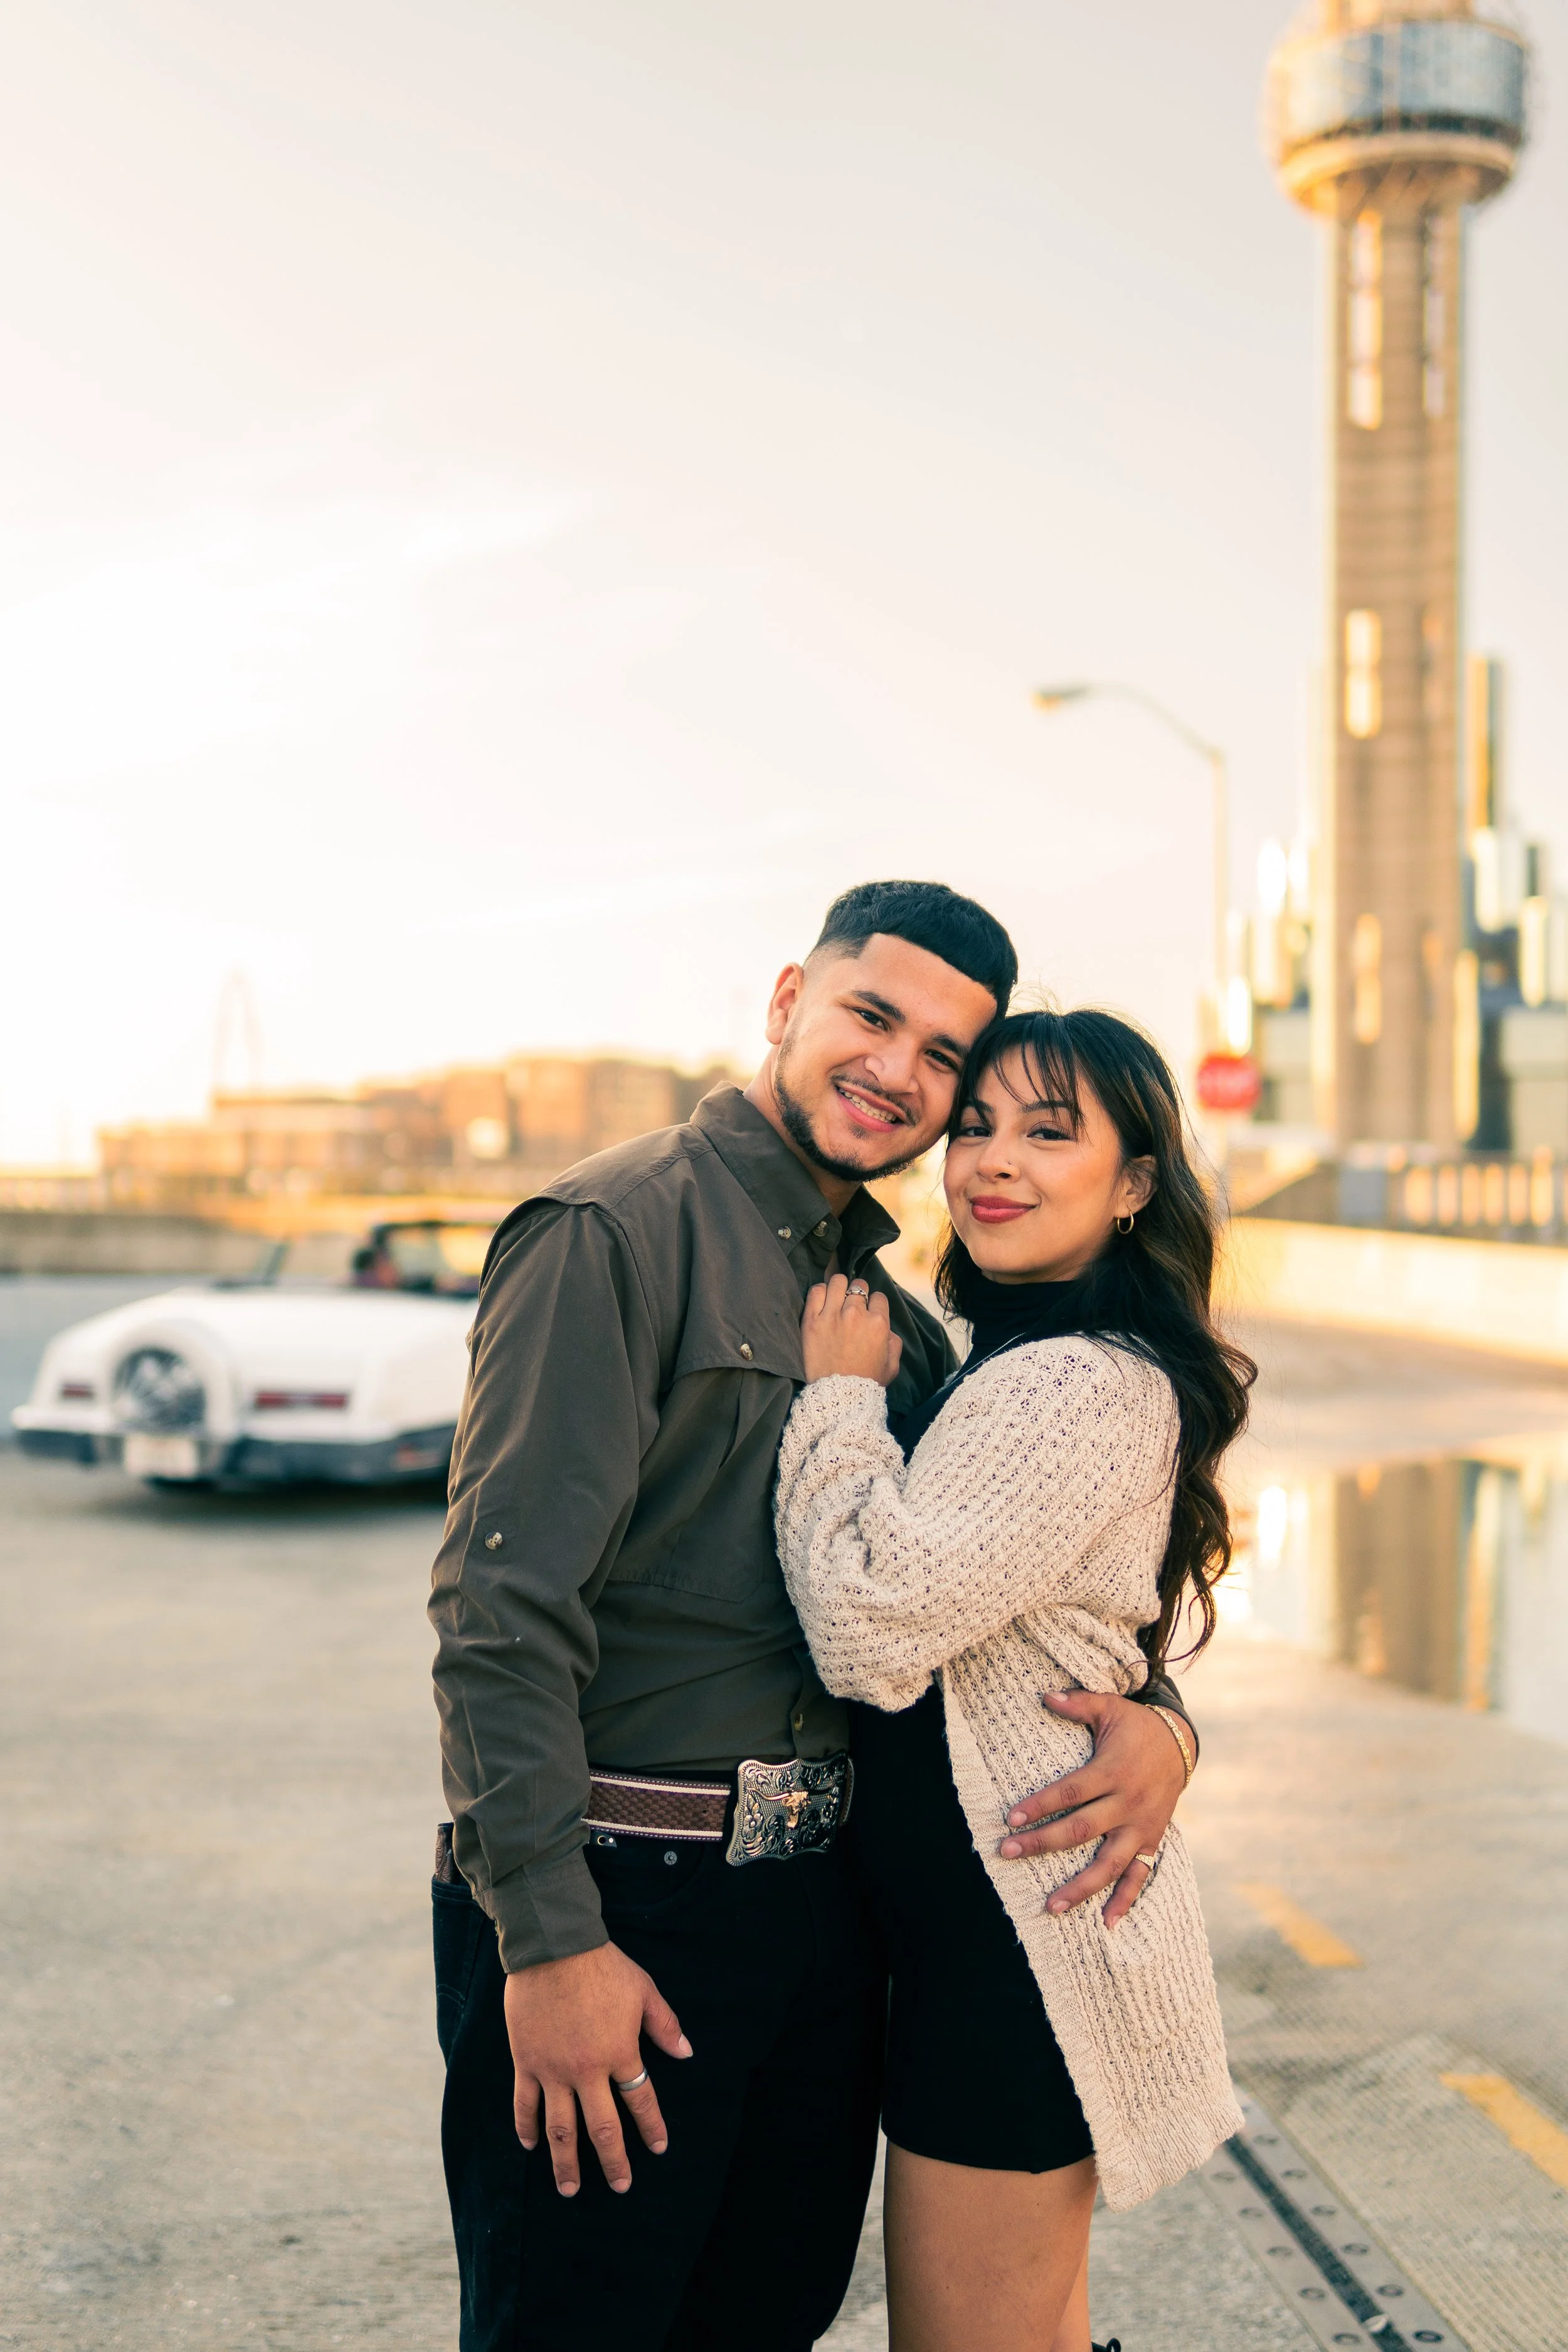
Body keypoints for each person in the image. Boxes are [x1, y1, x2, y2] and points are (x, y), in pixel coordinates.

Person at [429, 887, 1200, 2352]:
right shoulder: (616, 1227)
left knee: (760, 2323)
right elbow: (497, 1611)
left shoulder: (893, 1326)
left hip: (824, 1925)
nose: (898, 1072)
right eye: (870, 1015)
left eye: (940, 1057)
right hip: (624, 1901)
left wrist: (1165, 1728)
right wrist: (546, 1941)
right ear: (790, 998)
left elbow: (1011, 1606)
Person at [774, 1005, 1254, 2352]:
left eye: (1050, 1134)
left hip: (1009, 1964)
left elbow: (867, 1633)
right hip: (994, 1944)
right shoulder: (1023, 1359)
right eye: (973, 1126)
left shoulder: (1066, 1385)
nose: (993, 1161)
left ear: (1133, 1183)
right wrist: (1168, 1731)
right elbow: (1099, 1645)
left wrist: (836, 1401)